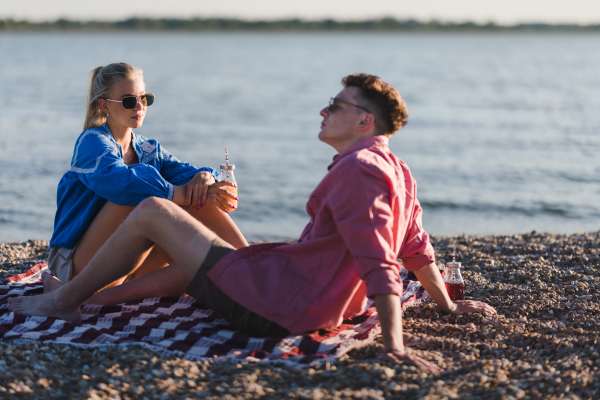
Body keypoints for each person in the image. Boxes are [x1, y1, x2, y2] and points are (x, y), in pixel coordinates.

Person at [10, 73, 496, 372]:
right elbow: (415, 245)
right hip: (297, 297)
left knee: (156, 209)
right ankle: (91, 295)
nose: (323, 111)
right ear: (105, 105)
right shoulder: (397, 169)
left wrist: (394, 343)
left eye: (336, 106)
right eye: (131, 101)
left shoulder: (358, 173)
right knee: (180, 221)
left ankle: (62, 301)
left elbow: (380, 260)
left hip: (280, 305)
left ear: (365, 122)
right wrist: (447, 307)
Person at [47, 62, 246, 287]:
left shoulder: (149, 149)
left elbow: (185, 174)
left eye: (144, 98)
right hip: (77, 268)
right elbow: (122, 184)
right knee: (142, 195)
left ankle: (247, 268)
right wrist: (177, 194)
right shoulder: (92, 142)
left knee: (196, 196)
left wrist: (205, 178)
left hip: (133, 267)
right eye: (129, 101)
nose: (139, 107)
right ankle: (64, 291)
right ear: (104, 106)